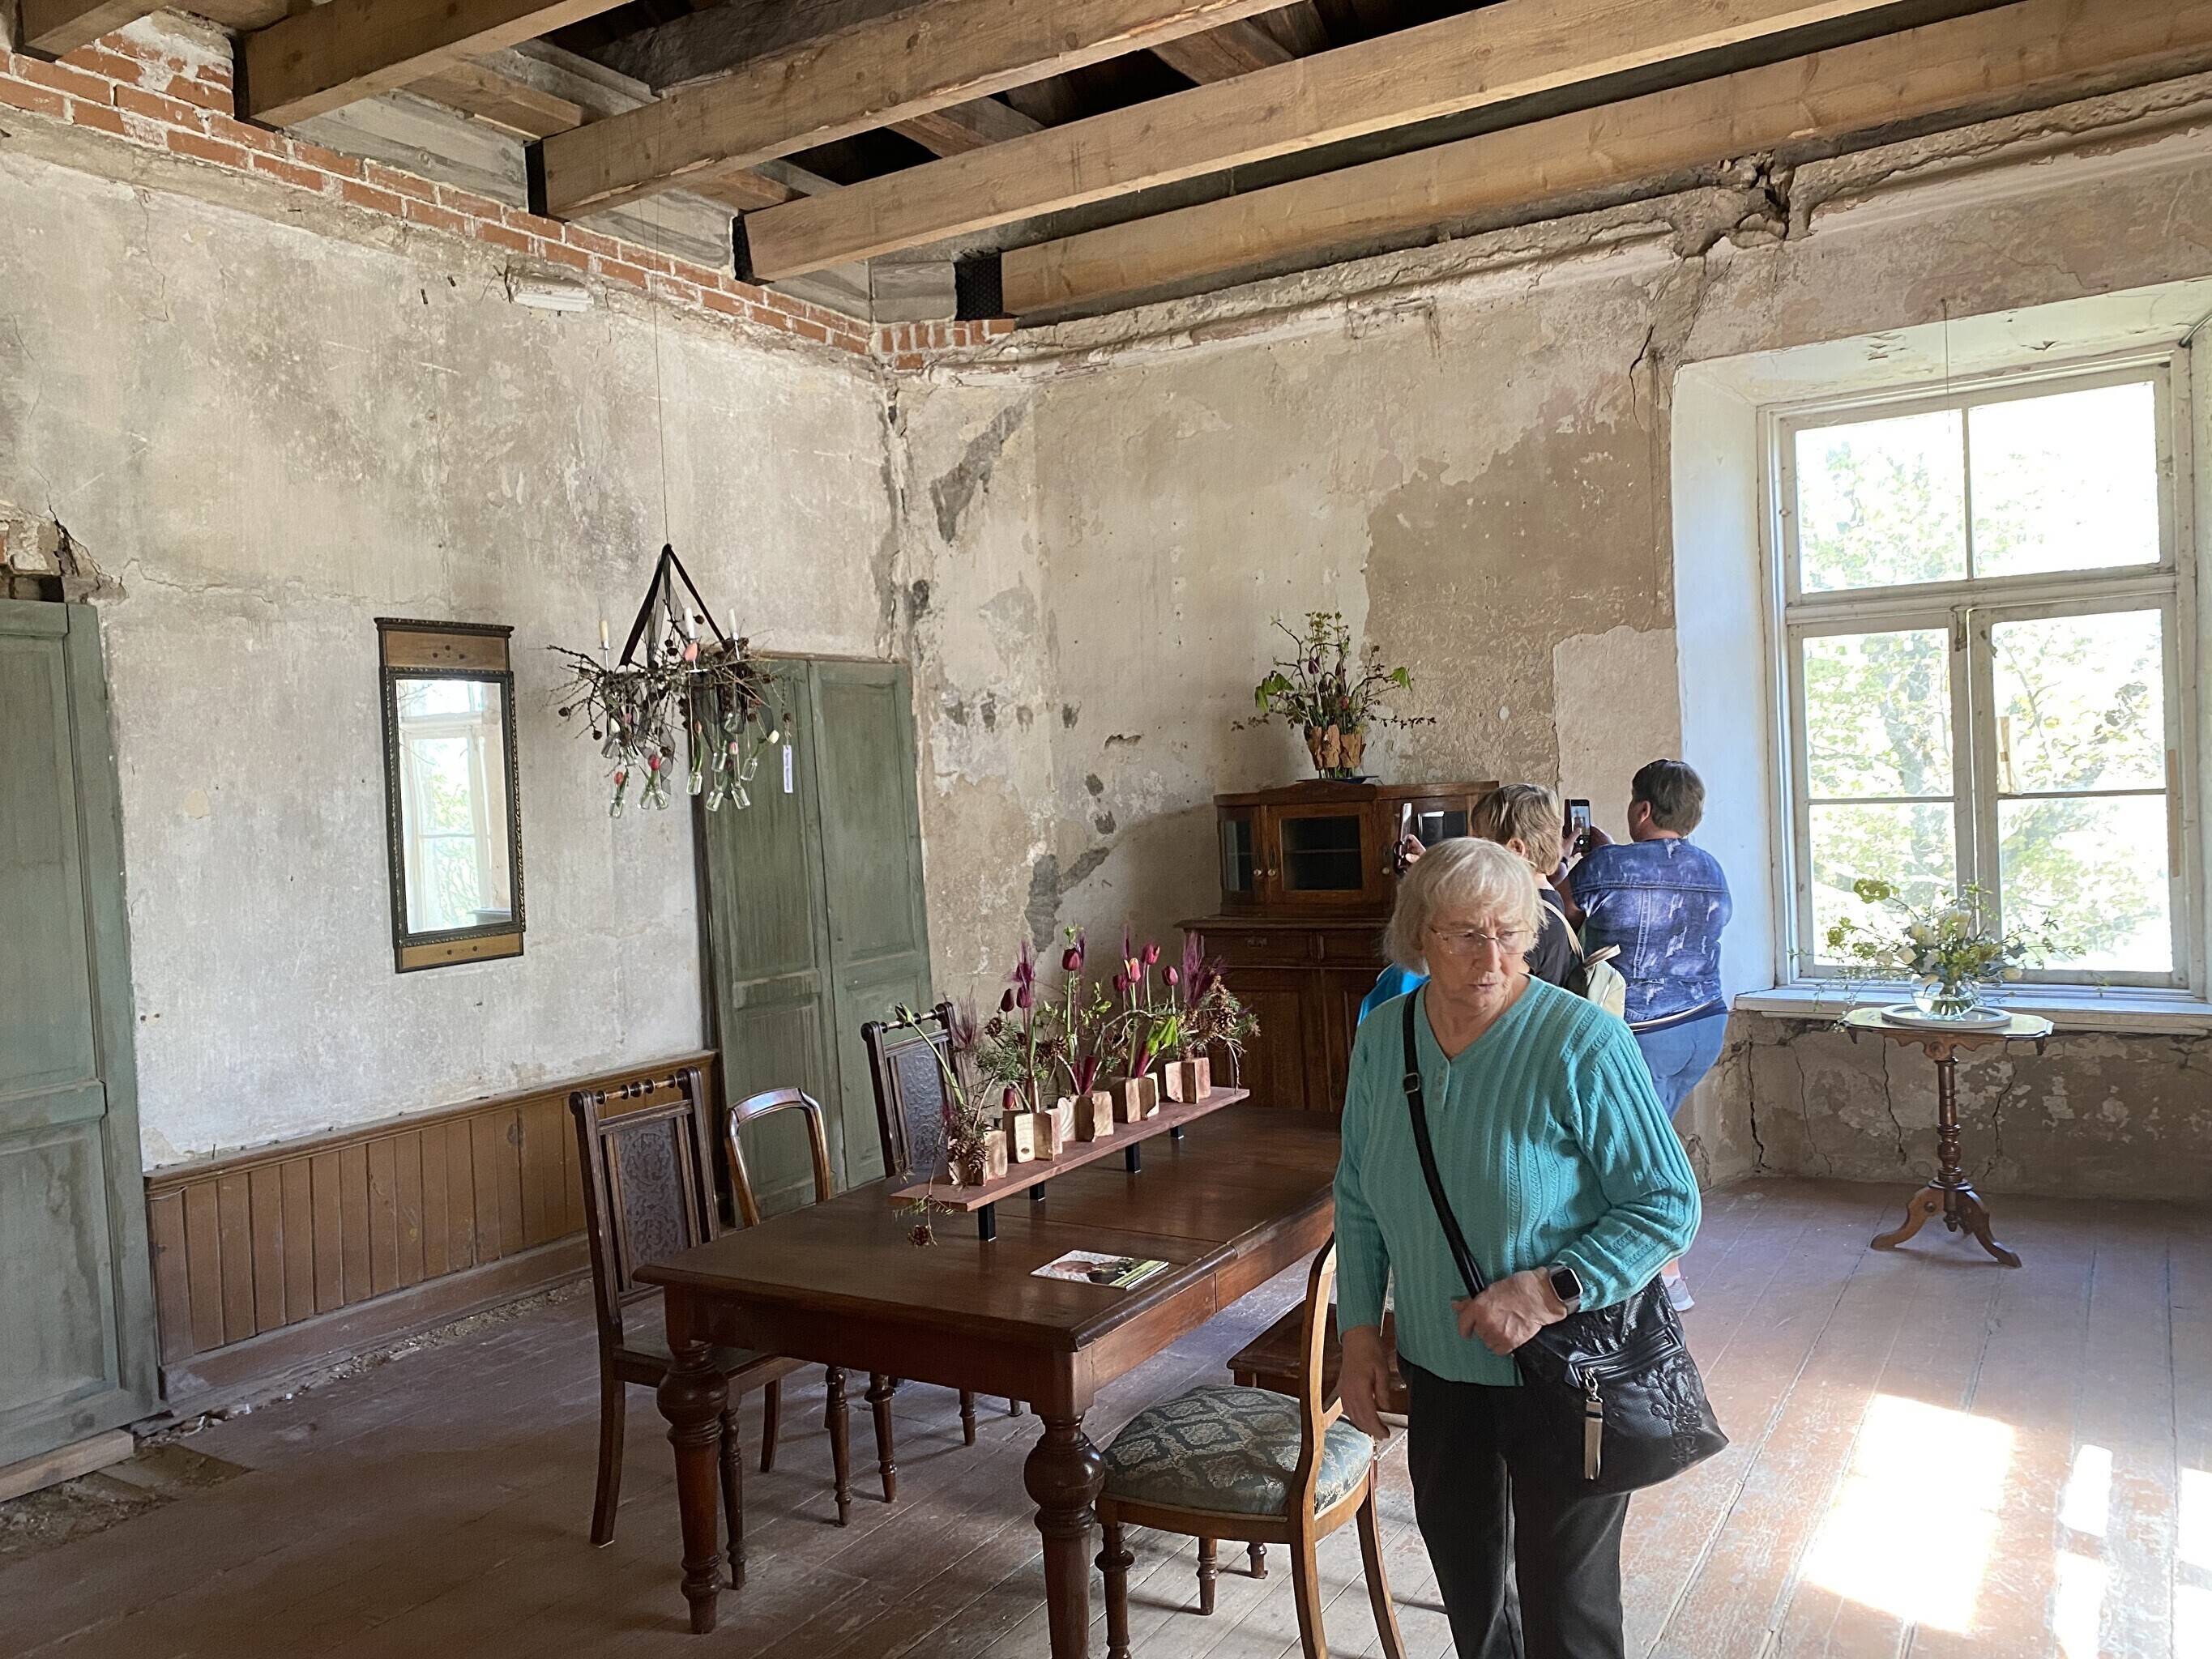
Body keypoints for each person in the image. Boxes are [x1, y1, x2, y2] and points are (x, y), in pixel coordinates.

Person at [1335, 838, 1700, 1659]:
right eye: (1466, 934)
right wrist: (1358, 1332)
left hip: (1570, 1370)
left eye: (1509, 933)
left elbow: (1668, 1204)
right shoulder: (1384, 1038)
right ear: (1420, 937)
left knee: (1567, 1609)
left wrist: (1547, 1289)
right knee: (1473, 1596)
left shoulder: (1582, 1042)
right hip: (1441, 1366)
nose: (1491, 956)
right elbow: (1358, 1193)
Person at [1565, 760, 1730, 1309]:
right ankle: (1650, 1268)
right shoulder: (1711, 867)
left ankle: (1666, 1279)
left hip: (1644, 1033)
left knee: (1639, 1159)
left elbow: (1554, 912)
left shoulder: (1607, 866)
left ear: (1641, 808)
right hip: (1704, 1027)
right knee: (1654, 1139)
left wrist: (1584, 860)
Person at [1357, 784, 1578, 1021]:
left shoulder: (1531, 919)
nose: (1472, 850)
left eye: (1481, 841)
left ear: (1515, 850)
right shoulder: (1545, 899)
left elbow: (1489, 997)